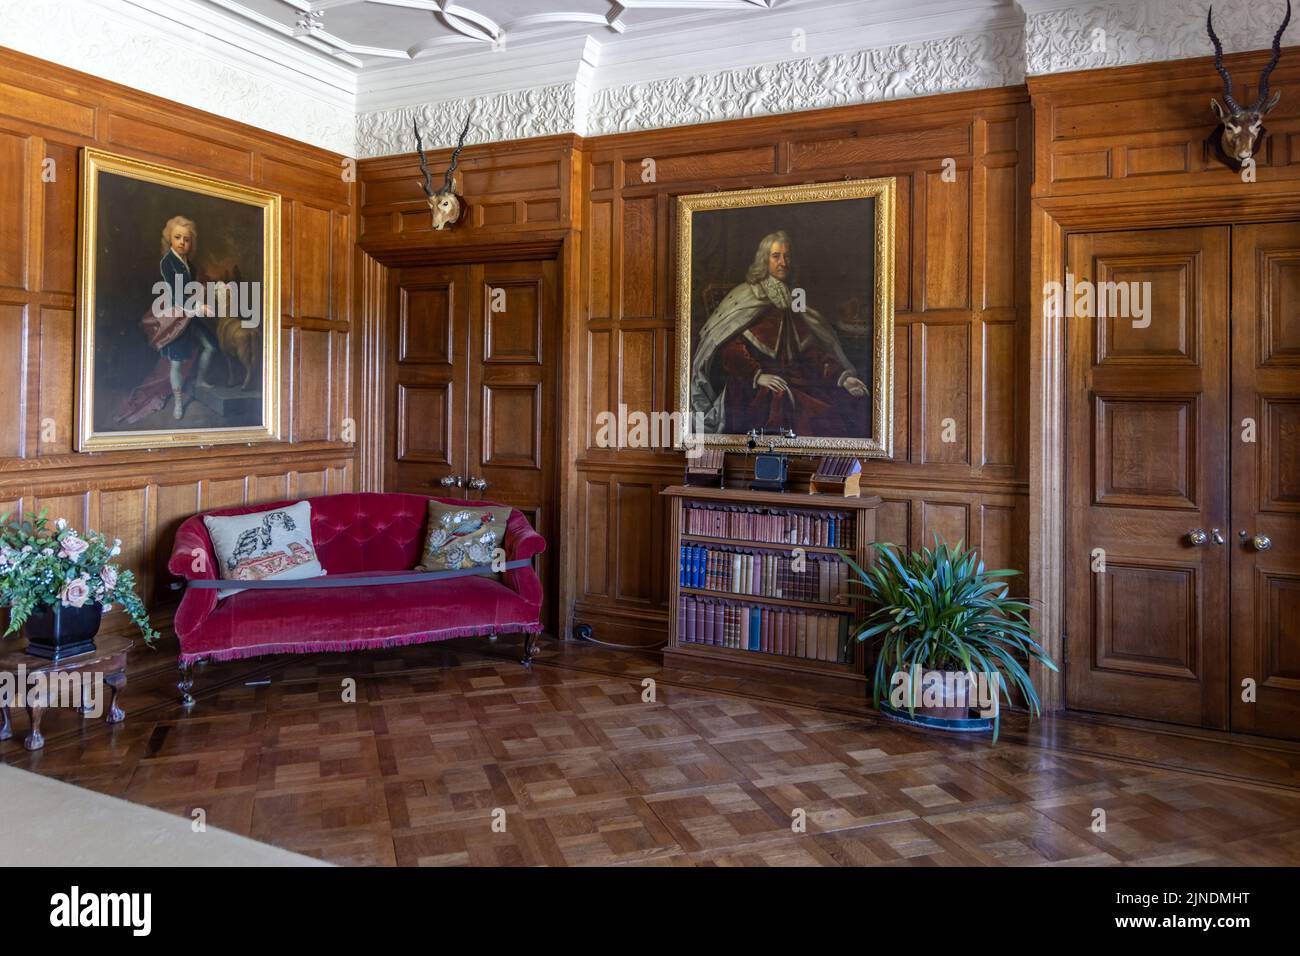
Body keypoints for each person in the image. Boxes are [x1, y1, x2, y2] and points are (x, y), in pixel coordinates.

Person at [689, 230, 868, 436]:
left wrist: (841, 377)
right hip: (752, 386)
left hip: (794, 378)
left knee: (839, 403)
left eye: (787, 256)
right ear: (764, 260)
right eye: (776, 256)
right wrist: (757, 375)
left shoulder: (793, 299)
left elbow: (808, 352)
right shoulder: (746, 295)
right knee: (784, 400)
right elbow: (730, 350)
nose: (783, 262)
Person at [143, 216, 219, 419]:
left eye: (186, 239)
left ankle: (200, 380)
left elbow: (192, 288)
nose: (182, 243)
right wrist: (198, 306)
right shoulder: (168, 263)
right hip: (175, 314)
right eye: (177, 237)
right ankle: (178, 402)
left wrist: (213, 290)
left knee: (211, 346)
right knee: (176, 361)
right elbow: (177, 294)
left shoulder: (190, 265)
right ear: (170, 239)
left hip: (190, 312)